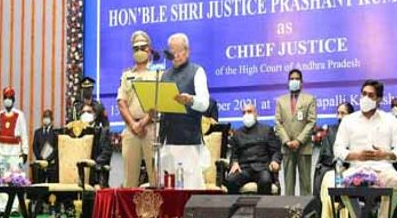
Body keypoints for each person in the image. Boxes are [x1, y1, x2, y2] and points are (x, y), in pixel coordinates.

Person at [333, 80, 397, 218]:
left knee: (395, 181)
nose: (366, 98)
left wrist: (387, 154)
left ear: (379, 99)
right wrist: (354, 155)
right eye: (364, 94)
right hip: (356, 169)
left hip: (383, 168)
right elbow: (337, 148)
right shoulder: (349, 120)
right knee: (342, 185)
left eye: (371, 95)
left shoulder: (390, 120)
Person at [158, 33, 211, 189]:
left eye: (179, 50)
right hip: (168, 139)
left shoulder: (197, 71)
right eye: (172, 50)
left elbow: (204, 104)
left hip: (189, 140)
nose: (176, 54)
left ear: (187, 51)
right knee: (168, 188)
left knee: (190, 187)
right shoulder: (164, 75)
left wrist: (190, 100)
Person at [117, 30, 157, 187]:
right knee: (129, 180)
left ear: (149, 49)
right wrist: (134, 124)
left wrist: (144, 122)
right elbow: (121, 103)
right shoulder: (127, 75)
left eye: (143, 47)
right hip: (130, 129)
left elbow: (157, 103)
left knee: (155, 177)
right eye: (136, 48)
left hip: (151, 128)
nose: (139, 51)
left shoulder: (156, 74)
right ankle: (128, 212)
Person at [274, 69, 317, 195]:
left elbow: (311, 122)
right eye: (291, 79)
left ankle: (307, 213)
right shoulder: (280, 100)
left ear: (302, 83)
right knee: (288, 185)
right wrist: (287, 141)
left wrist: (298, 141)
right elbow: (278, 122)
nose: (294, 81)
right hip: (287, 147)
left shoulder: (309, 99)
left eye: (297, 79)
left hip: (303, 147)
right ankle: (289, 212)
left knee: (305, 184)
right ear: (288, 82)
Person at [315, 102, 355, 218]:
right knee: (329, 181)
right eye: (338, 113)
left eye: (343, 113)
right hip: (334, 169)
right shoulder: (331, 131)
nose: (339, 116)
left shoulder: (357, 131)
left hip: (354, 169)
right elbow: (325, 155)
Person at [224, 103, 281, 194]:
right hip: (244, 169)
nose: (246, 115)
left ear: (256, 114)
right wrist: (234, 163)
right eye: (244, 112)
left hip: (262, 167)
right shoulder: (237, 133)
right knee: (230, 181)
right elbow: (234, 155)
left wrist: (275, 161)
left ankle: (262, 208)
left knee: (265, 181)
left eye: (249, 111)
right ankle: (237, 207)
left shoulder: (266, 130)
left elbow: (276, 151)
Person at [0, 87, 28, 211]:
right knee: (1, 180)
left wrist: (25, 151)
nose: (7, 100)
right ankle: (1, 207)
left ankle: (14, 207)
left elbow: (24, 134)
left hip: (15, 152)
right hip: (1, 152)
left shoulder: (19, 115)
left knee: (15, 179)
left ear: (14, 99)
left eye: (10, 98)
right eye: (6, 98)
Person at [79, 103, 112, 188]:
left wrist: (93, 165)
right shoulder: (77, 132)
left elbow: (106, 153)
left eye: (89, 112)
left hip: (95, 173)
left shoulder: (103, 132)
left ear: (94, 115)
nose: (86, 114)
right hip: (79, 172)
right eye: (83, 112)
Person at [32, 109, 58, 183]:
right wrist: (39, 157)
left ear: (52, 119)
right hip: (40, 163)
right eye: (45, 117)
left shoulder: (55, 132)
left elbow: (56, 148)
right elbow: (34, 146)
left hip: (51, 164)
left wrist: (49, 159)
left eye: (48, 117)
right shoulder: (37, 132)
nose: (46, 119)